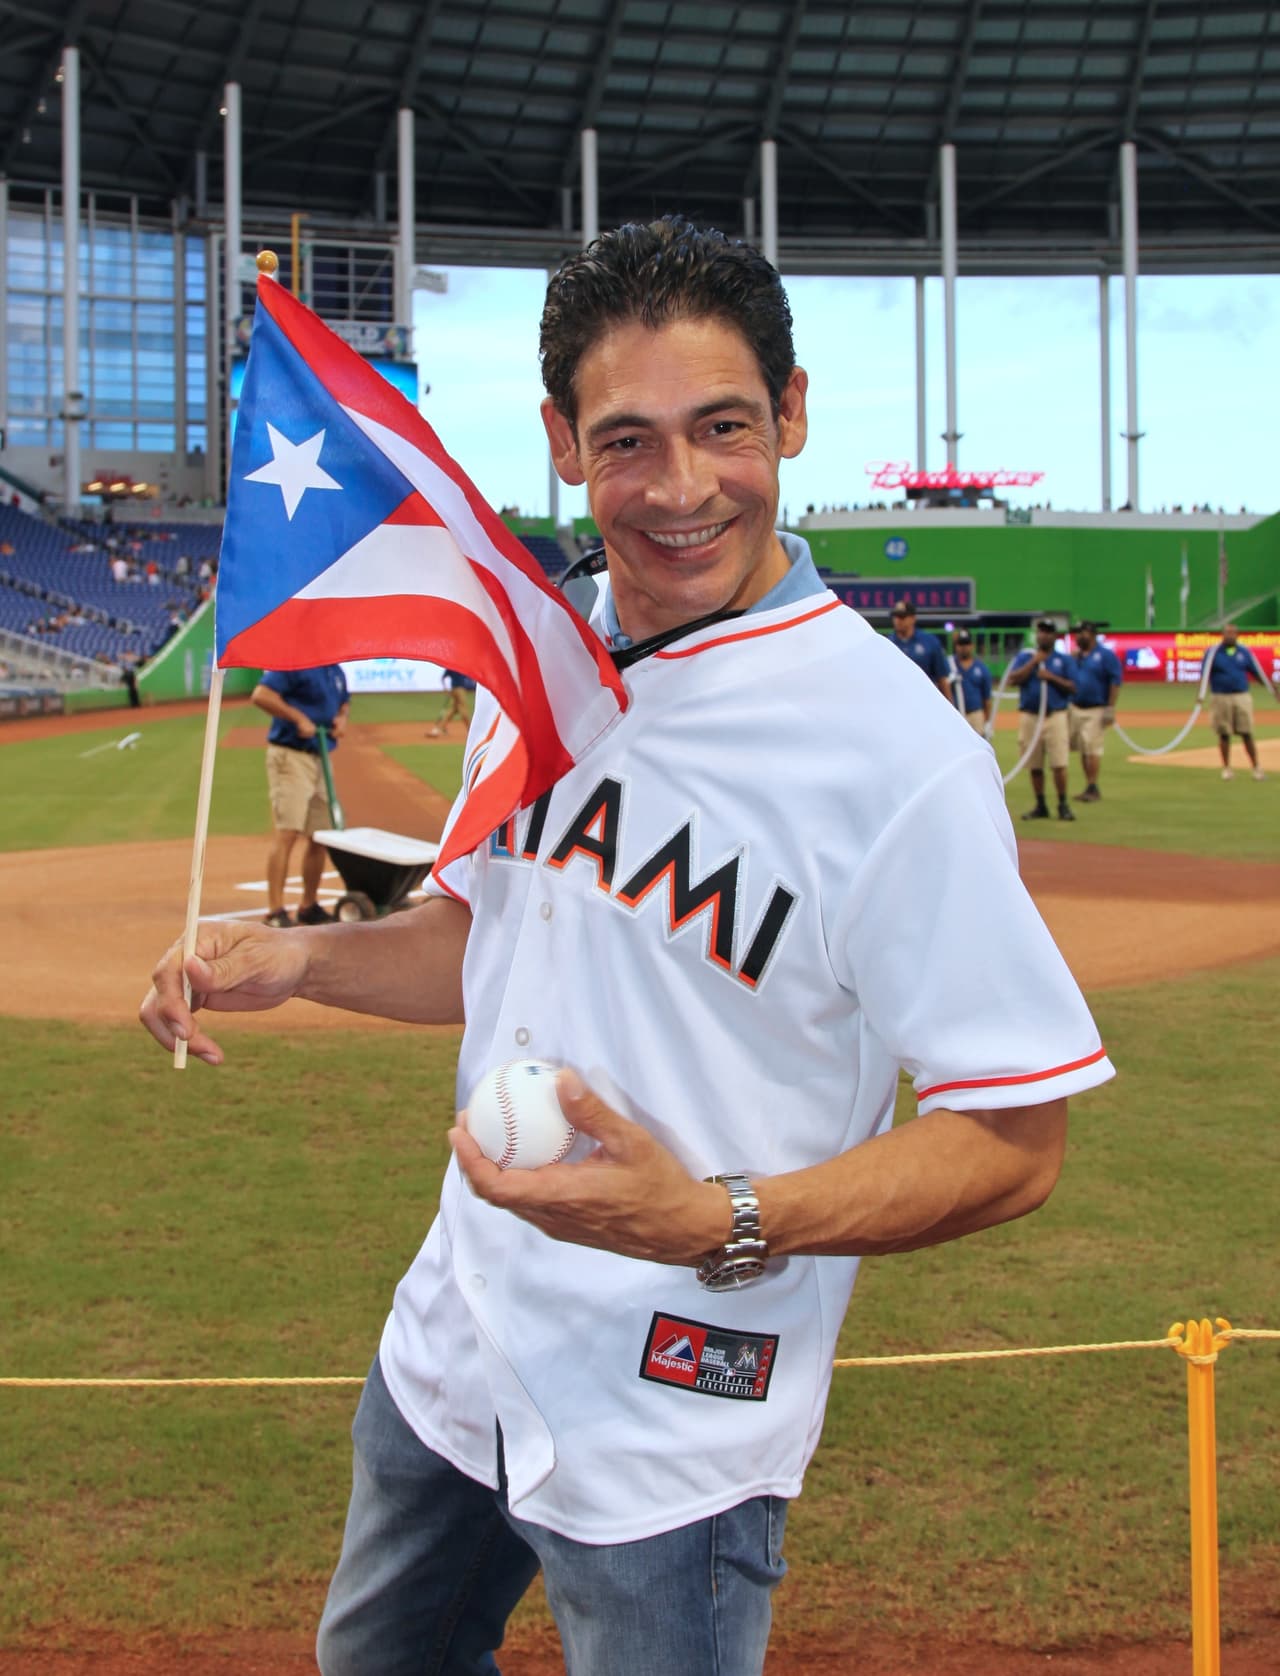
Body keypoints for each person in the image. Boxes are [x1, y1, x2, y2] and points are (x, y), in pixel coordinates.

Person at [140, 216, 1113, 1676]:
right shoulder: (536, 656)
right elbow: (497, 939)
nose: (678, 489)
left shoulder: (895, 755)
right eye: (626, 441)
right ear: (560, 442)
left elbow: (1012, 1141)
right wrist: (305, 959)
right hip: (452, 1352)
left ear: (789, 413)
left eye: (723, 427)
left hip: (675, 1419)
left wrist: (718, 1218)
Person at [251, 665, 349, 926]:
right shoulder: (294, 662)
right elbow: (261, 694)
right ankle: (275, 911)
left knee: (321, 835)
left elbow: (343, 703)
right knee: (288, 833)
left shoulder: (335, 671)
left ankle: (308, 905)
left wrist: (341, 718)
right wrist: (297, 717)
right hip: (291, 756)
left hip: (320, 757)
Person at [1008, 619, 1078, 822]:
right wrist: (1033, 663)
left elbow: (1073, 686)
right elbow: (1013, 679)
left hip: (1055, 715)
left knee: (1059, 763)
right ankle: (1040, 804)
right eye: (1041, 632)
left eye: (1048, 632)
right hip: (1031, 715)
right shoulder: (1026, 657)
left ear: (1054, 636)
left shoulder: (1063, 660)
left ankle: (1062, 803)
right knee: (1035, 763)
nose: (1044, 636)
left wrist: (1051, 677)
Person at [1202, 623, 1277, 780]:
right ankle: (1227, 768)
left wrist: (1272, 689)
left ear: (1237, 635)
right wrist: (1201, 695)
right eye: (1227, 633)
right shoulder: (1213, 653)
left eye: (1233, 633)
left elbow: (1258, 673)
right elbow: (1204, 675)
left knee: (1247, 732)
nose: (1230, 636)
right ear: (1222, 634)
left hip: (1241, 696)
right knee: (1224, 733)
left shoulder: (1244, 652)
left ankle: (1256, 767)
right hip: (1221, 696)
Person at [1068, 621, 1124, 802]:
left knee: (1092, 748)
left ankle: (1093, 786)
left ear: (1091, 635)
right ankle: (1089, 784)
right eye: (1077, 633)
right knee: (1084, 748)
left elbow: (1115, 681)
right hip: (1076, 707)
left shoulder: (1105, 655)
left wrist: (1110, 706)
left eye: (1081, 633)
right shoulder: (1076, 657)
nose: (1078, 637)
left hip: (1096, 708)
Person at [887, 599, 950, 697]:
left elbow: (941, 678)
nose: (897, 620)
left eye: (902, 616)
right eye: (895, 616)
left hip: (925, 698)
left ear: (912, 618)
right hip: (897, 699)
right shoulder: (888, 644)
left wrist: (949, 705)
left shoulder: (929, 642)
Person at [949, 630, 992, 734]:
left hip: (975, 714)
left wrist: (987, 721)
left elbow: (987, 699)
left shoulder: (981, 668)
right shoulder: (949, 665)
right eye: (960, 644)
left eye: (966, 643)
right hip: (955, 714)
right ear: (956, 646)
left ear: (972, 645)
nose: (964, 647)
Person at [427, 668, 476, 737]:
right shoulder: (459, 665)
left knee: (453, 709)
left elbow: (443, 678)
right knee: (463, 708)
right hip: (460, 689)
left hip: (454, 689)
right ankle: (471, 730)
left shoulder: (451, 666)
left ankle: (440, 728)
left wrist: (445, 688)